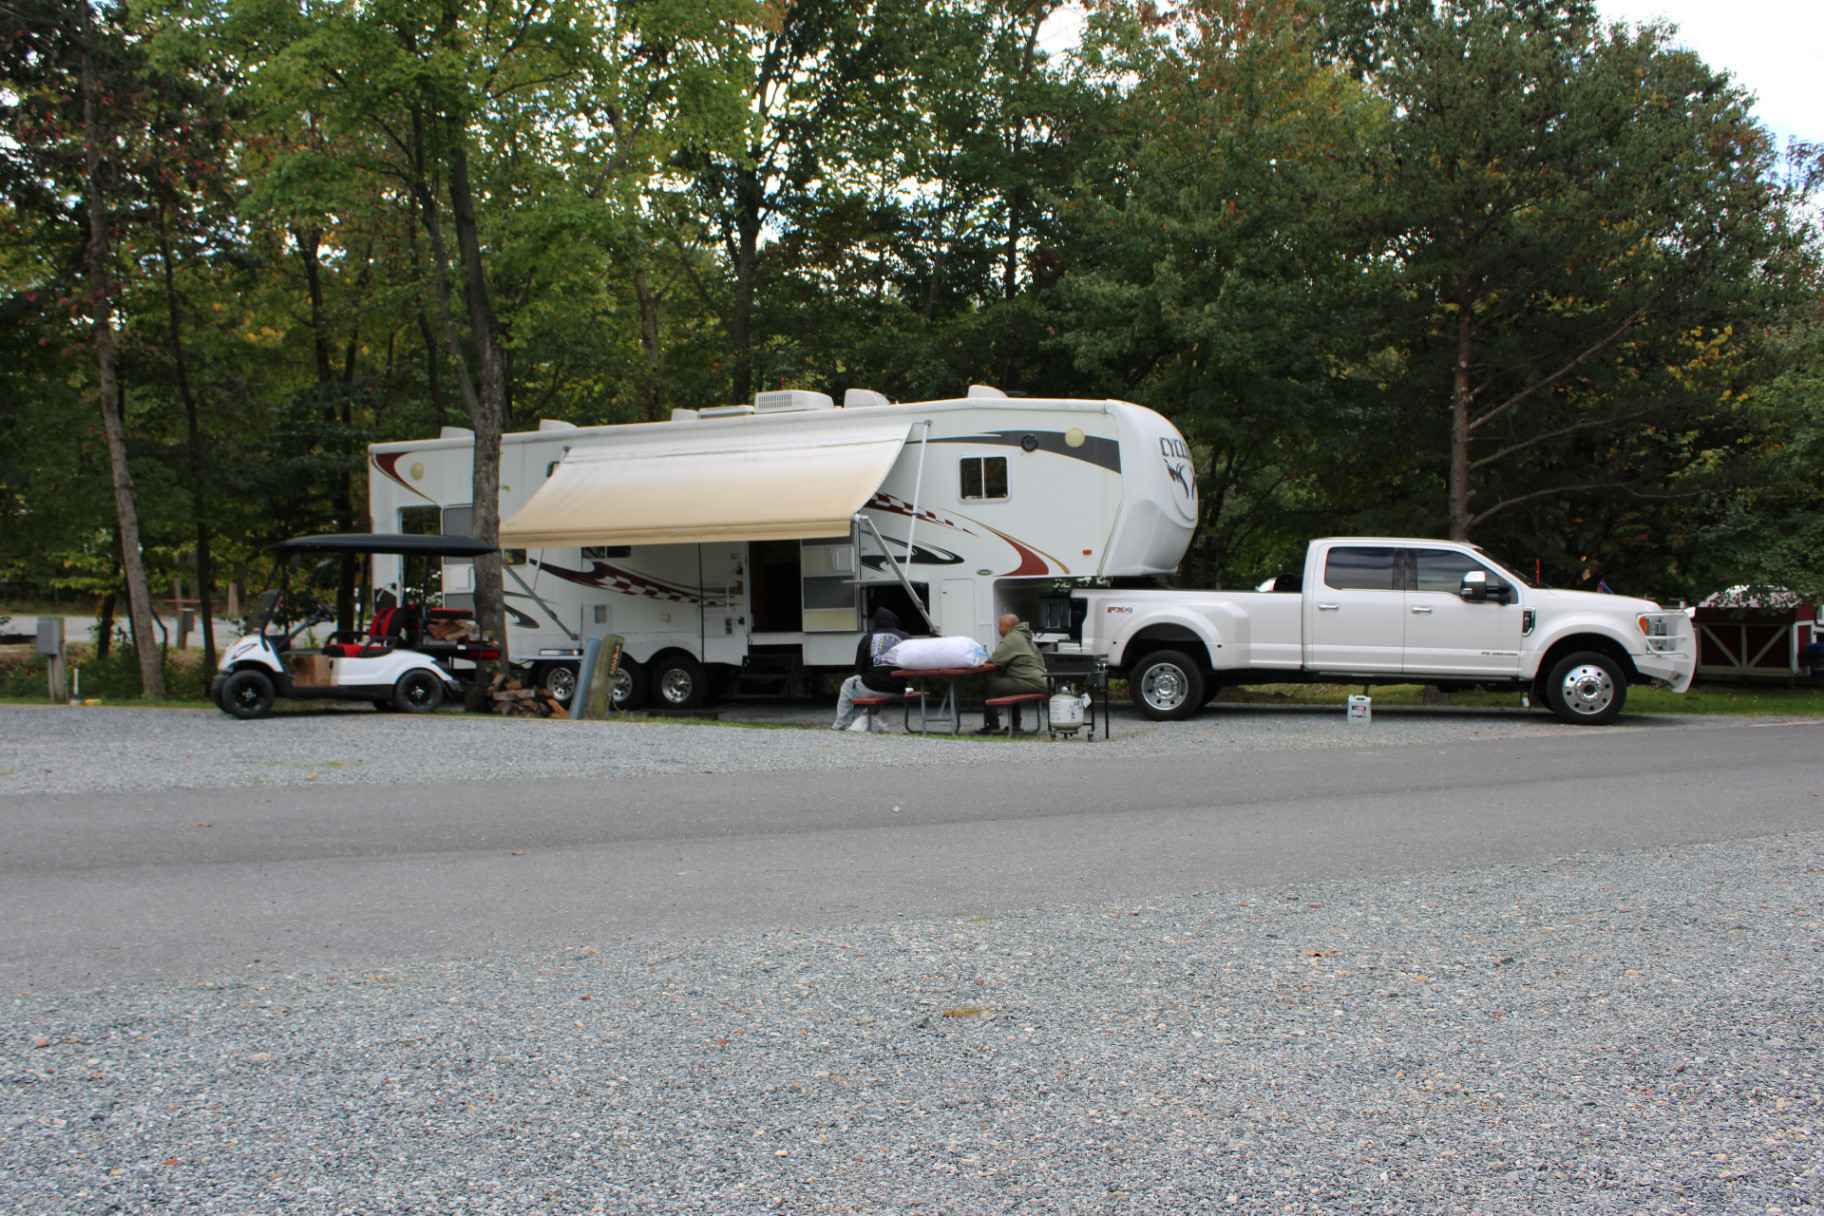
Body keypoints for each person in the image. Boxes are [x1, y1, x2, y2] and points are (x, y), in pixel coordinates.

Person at [832, 607, 909, 730]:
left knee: (847, 685)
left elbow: (859, 667)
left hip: (873, 686)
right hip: (898, 690)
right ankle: (867, 720)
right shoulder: (905, 637)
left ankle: (839, 725)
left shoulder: (867, 638)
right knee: (877, 690)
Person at [978, 613, 1047, 733]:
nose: (998, 628)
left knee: (989, 687)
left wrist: (980, 662)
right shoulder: (1023, 635)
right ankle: (1015, 725)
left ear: (1009, 627)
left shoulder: (1012, 638)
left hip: (1032, 681)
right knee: (1012, 683)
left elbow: (995, 659)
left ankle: (993, 726)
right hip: (1041, 680)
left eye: (1000, 625)